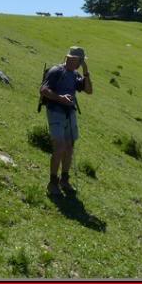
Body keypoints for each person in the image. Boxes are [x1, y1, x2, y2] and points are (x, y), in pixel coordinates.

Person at [39, 46, 93, 196]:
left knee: (69, 147)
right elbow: (43, 90)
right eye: (71, 58)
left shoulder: (75, 75)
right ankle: (52, 182)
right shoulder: (56, 71)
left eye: (76, 60)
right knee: (60, 146)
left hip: (70, 113)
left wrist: (86, 71)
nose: (71, 61)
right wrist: (60, 98)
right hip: (55, 111)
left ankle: (64, 180)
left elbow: (89, 90)